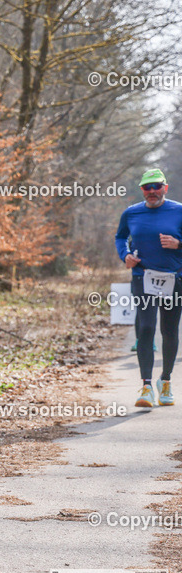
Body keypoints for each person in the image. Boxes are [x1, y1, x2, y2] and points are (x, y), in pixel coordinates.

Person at [115, 168, 182, 407]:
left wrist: (178, 244)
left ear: (165, 187)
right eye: (147, 187)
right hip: (143, 278)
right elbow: (120, 237)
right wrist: (125, 255)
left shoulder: (179, 210)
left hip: (175, 280)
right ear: (142, 190)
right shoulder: (131, 213)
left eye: (156, 187)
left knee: (170, 330)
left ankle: (165, 381)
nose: (152, 191)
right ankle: (145, 387)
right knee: (145, 328)